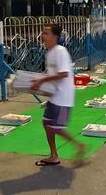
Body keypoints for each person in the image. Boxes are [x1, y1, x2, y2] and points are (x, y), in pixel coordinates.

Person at [31, 25, 85, 166]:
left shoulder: (60, 51)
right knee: (47, 123)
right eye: (43, 32)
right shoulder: (49, 53)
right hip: (54, 95)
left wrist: (41, 80)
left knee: (54, 127)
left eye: (46, 33)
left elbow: (64, 73)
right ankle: (53, 155)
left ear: (55, 37)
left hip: (63, 97)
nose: (42, 35)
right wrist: (36, 81)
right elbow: (51, 74)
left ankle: (78, 145)